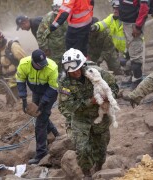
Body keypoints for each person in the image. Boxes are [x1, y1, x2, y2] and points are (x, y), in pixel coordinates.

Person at [58, 48, 119, 179]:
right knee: (82, 149)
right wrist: (91, 101)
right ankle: (86, 174)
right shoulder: (64, 82)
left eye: (76, 68)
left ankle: (98, 169)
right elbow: (69, 105)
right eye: (70, 70)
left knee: (101, 149)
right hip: (80, 119)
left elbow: (114, 87)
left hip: (100, 117)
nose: (74, 72)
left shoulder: (97, 72)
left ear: (82, 65)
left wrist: (109, 96)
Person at [16, 49, 60, 164]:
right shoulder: (23, 64)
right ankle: (56, 134)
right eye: (40, 65)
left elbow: (53, 87)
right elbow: (20, 80)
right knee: (41, 116)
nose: (43, 66)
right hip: (36, 91)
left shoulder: (52, 67)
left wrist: (44, 101)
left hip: (49, 92)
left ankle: (41, 153)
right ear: (33, 62)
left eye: (44, 64)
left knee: (40, 123)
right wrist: (24, 99)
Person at [0, 27, 26, 99]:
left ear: (0, 39)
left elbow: (25, 62)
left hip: (17, 79)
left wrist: (19, 75)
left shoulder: (13, 46)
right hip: (4, 80)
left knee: (15, 98)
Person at [118, 0, 149, 89]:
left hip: (134, 25)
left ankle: (137, 81)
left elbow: (144, 7)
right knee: (130, 53)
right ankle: (133, 78)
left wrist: (138, 26)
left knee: (135, 56)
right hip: (127, 22)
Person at [36, 0, 67, 72]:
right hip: (53, 52)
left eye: (58, 8)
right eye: (55, 7)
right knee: (54, 70)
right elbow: (40, 34)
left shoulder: (70, 16)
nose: (56, 10)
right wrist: (44, 48)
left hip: (67, 49)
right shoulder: (48, 18)